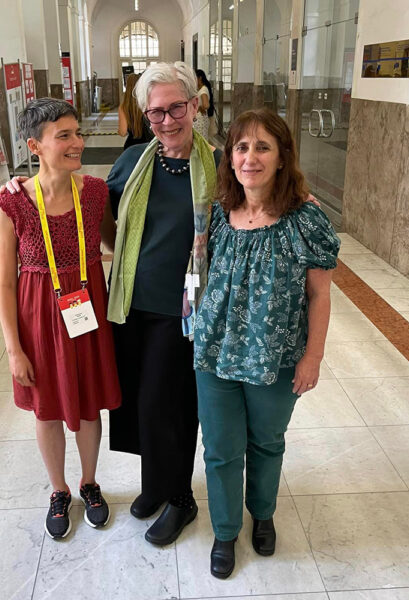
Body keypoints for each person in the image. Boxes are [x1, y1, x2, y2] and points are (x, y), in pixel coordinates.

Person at [193, 109, 340, 578]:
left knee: (267, 442)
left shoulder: (306, 219)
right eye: (241, 147)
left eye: (262, 147)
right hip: (215, 354)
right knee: (220, 447)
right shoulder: (216, 215)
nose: (250, 157)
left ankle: (263, 512)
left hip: (275, 358)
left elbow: (320, 294)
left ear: (281, 158)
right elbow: (196, 279)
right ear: (230, 157)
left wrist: (313, 356)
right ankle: (224, 530)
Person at [0, 98, 121, 540]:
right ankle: (59, 490)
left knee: (87, 404)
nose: (77, 143)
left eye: (77, 133)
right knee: (46, 410)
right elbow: (5, 284)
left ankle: (89, 481)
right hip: (38, 321)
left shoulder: (96, 192)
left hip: (86, 314)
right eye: (63, 136)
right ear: (36, 145)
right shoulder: (11, 203)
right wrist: (14, 350)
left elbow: (116, 243)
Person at [107, 61, 222, 546]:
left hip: (187, 306)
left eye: (177, 107)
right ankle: (154, 484)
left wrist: (299, 196)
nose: (168, 121)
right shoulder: (133, 162)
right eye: (156, 113)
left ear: (195, 105)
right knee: (137, 401)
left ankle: (180, 497)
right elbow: (89, 208)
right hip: (132, 301)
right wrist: (25, 190)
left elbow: (262, 198)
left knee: (169, 404)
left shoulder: (220, 164)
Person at [118, 72, 152, 149]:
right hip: (148, 145)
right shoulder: (147, 103)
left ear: (127, 86)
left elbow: (123, 132)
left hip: (131, 146)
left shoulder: (123, 107)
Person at [194, 69, 213, 140]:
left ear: (200, 78)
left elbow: (206, 105)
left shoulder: (203, 90)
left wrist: (199, 108)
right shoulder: (201, 89)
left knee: (201, 140)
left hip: (201, 120)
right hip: (199, 119)